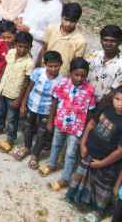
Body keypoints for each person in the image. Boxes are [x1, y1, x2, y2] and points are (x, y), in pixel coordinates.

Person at [67, 86, 122, 215]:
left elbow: (121, 151)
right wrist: (83, 144)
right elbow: (91, 124)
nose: (120, 103)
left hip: (107, 163)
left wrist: (102, 163)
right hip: (88, 153)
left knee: (101, 188)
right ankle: (78, 199)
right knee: (83, 179)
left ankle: (97, 211)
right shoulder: (106, 109)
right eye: (117, 99)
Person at [40, 58, 96, 190]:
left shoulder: (90, 90)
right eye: (76, 74)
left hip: (77, 128)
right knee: (56, 144)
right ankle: (52, 164)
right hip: (60, 122)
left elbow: (91, 111)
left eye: (83, 75)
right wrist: (50, 120)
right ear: (70, 73)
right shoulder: (63, 83)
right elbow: (55, 102)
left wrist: (85, 133)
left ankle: (65, 178)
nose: (79, 78)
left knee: (71, 153)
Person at [0, 31, 34, 153]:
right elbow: (4, 69)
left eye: (25, 47)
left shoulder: (29, 62)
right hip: (3, 88)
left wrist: (20, 100)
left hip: (14, 95)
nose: (22, 50)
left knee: (12, 118)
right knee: (0, 110)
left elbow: (26, 83)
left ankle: (10, 139)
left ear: (30, 47)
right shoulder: (11, 53)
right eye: (19, 46)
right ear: (15, 44)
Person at [16, 51, 63, 169]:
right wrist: (23, 103)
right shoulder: (38, 73)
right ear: (45, 64)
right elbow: (29, 87)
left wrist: (51, 120)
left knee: (42, 133)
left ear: (61, 65)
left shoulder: (61, 81)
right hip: (32, 106)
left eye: (56, 66)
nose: (53, 69)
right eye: (50, 66)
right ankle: (26, 147)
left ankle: (35, 155)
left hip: (46, 111)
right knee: (28, 127)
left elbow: (55, 101)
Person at [16, 0, 63, 64]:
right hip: (19, 40)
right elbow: (25, 11)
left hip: (34, 47)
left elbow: (50, 36)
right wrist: (20, 18)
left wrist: (29, 30)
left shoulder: (56, 8)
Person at [87, 24, 122, 111]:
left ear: (120, 42)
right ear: (100, 40)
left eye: (113, 41)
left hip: (102, 106)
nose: (108, 44)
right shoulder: (94, 55)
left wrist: (96, 112)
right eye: (105, 40)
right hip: (83, 99)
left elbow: (114, 92)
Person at [40, 2, 87, 75]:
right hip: (45, 71)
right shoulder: (51, 29)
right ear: (61, 16)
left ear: (77, 21)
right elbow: (44, 49)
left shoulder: (80, 41)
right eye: (66, 19)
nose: (68, 24)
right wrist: (39, 65)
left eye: (72, 21)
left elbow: (76, 64)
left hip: (63, 77)